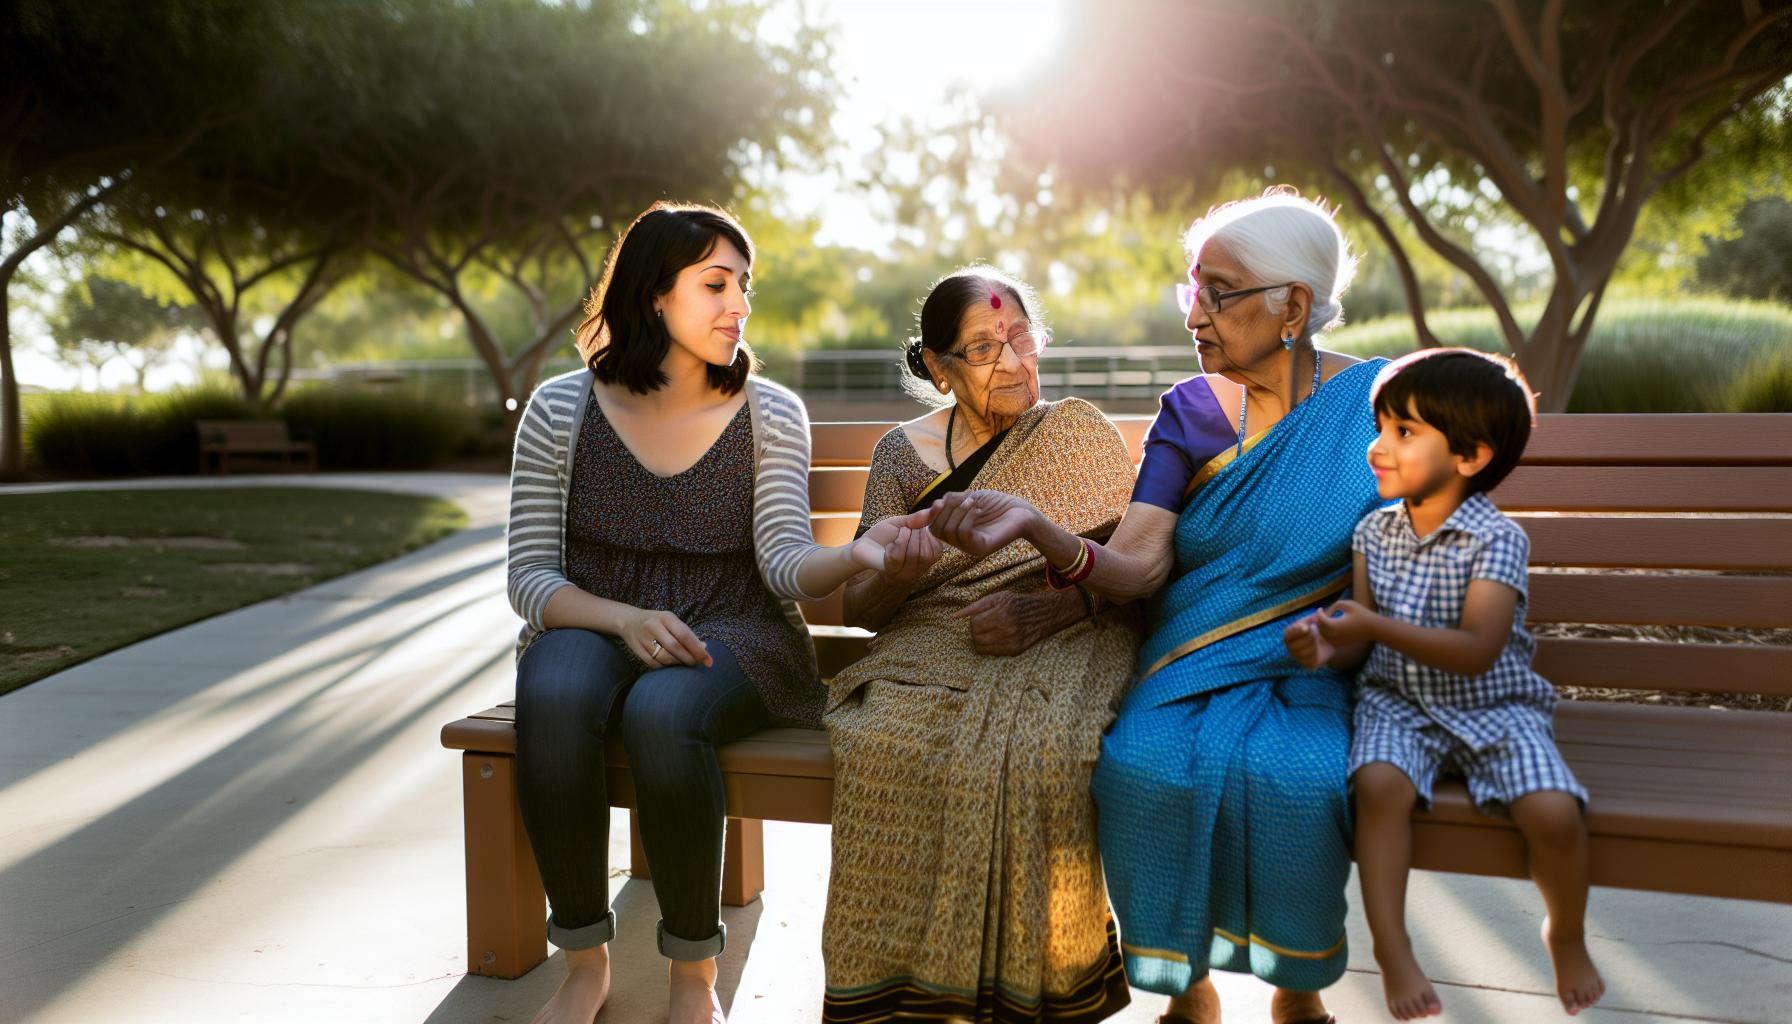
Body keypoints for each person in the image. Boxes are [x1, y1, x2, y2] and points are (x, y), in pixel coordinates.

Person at [930, 188, 1378, 1024]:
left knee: (1304, 772)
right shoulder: (1193, 411)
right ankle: (1187, 992)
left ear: (1295, 305)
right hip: (1187, 660)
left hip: (1310, 660)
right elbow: (1135, 567)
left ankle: (1298, 989)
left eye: (1220, 292)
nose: (1196, 316)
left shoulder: (1378, 406)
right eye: (1193, 290)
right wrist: (1039, 529)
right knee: (1139, 766)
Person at [505, 201, 931, 1024]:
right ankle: (585, 964)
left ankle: (693, 976)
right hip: (595, 619)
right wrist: (622, 619)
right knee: (552, 693)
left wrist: (861, 552)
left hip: (734, 627)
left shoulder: (770, 412)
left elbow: (781, 561)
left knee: (666, 712)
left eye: (744, 285)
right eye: (715, 283)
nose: (738, 303)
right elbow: (528, 576)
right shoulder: (562, 410)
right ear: (654, 295)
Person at [820, 266, 1141, 1024]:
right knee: (887, 744)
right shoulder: (903, 455)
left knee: (1046, 750)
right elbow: (861, 607)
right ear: (937, 367)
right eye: (983, 347)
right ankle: (905, 996)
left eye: (1021, 337)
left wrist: (1045, 614)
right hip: (929, 637)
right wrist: (901, 569)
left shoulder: (1076, 434)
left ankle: (1042, 993)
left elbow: (1134, 576)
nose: (1013, 361)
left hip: (1068, 630)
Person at [1284, 348, 1604, 1019]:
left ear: (1470, 457)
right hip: (1398, 704)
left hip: (1493, 707)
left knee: (1554, 815)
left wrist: (1369, 624)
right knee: (1377, 787)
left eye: (1404, 433)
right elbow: (1360, 644)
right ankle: (1394, 948)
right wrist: (1326, 646)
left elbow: (1476, 652)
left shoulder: (1497, 540)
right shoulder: (1374, 532)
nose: (1377, 448)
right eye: (1380, 428)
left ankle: (1565, 932)